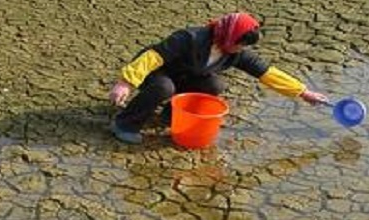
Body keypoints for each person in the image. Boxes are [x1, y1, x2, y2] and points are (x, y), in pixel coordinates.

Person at [108, 12, 329, 144]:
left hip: (186, 75)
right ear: (228, 34)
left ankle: (171, 117)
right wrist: (125, 83)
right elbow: (153, 57)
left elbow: (267, 73)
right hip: (156, 72)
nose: (239, 49)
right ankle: (125, 124)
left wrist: (303, 92)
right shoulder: (190, 38)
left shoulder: (234, 52)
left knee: (214, 84)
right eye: (239, 43)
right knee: (163, 87)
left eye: (243, 46)